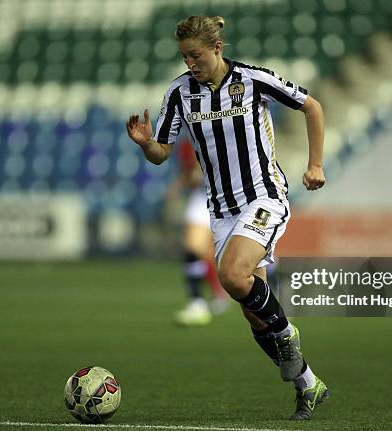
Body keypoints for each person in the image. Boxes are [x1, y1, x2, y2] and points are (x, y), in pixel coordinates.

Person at [126, 15, 328, 420]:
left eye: (196, 55)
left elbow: (312, 106)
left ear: (217, 48)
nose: (190, 64)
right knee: (254, 315)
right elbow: (163, 152)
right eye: (184, 57)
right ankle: (308, 384)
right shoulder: (180, 93)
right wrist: (147, 144)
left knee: (233, 275)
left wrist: (315, 165)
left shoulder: (252, 80)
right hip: (219, 209)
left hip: (263, 196)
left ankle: (289, 335)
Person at [168, 138, 229, 326]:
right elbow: (190, 172)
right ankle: (197, 303)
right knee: (193, 248)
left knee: (254, 255)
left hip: (234, 196)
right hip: (203, 197)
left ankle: (273, 303)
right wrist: (177, 187)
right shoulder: (187, 142)